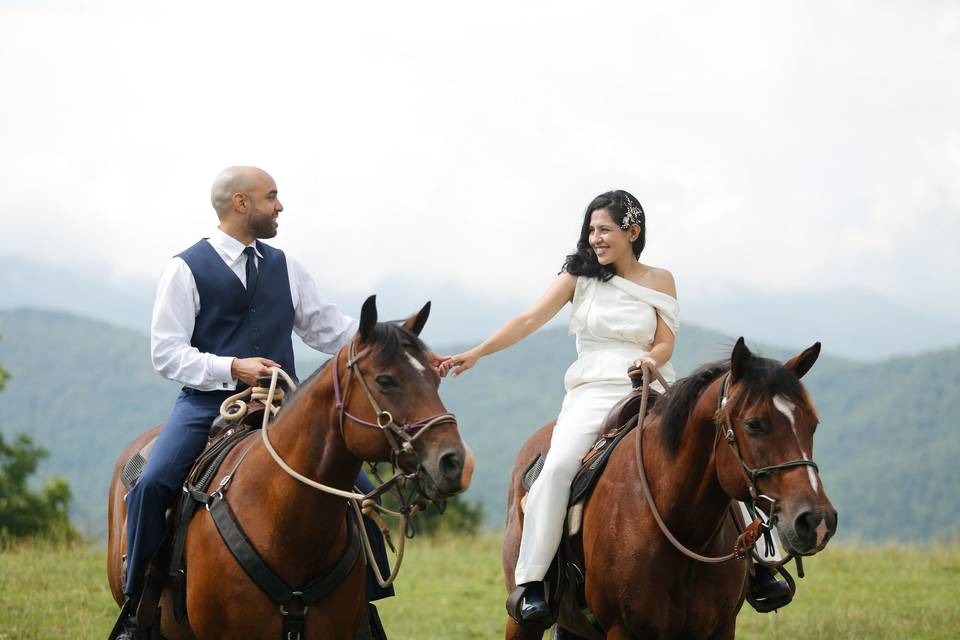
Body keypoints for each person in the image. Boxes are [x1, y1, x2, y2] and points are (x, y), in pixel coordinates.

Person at [441, 190, 786, 624]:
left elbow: (665, 341)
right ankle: (531, 583)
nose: (595, 238)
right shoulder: (577, 276)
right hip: (592, 390)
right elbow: (529, 319)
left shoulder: (661, 280)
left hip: (652, 387)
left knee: (714, 459)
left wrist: (651, 359)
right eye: (591, 229)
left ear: (632, 232)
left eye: (604, 229)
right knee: (559, 467)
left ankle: (759, 567)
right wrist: (477, 352)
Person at [116, 166, 416, 639]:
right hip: (208, 406)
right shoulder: (185, 269)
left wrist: (394, 345)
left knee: (361, 498)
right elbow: (166, 353)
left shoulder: (285, 267)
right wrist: (232, 367)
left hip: (287, 409)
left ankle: (363, 612)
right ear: (241, 203)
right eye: (271, 197)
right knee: (153, 484)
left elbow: (329, 330)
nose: (280, 206)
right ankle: (139, 608)